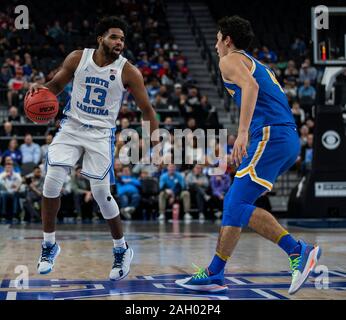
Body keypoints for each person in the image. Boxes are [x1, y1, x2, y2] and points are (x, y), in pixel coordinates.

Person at [176, 16, 321, 295]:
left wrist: (242, 133)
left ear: (227, 40)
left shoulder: (230, 60)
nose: (216, 44)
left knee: (235, 202)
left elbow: (251, 88)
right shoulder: (256, 63)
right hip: (284, 138)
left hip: (271, 135)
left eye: (218, 38)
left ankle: (298, 251)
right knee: (235, 203)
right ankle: (215, 272)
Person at [28, 16, 159, 280]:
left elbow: (147, 109)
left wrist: (151, 138)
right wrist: (40, 89)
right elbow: (55, 86)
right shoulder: (78, 58)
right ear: (100, 38)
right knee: (51, 183)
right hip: (71, 127)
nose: (119, 42)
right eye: (114, 37)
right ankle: (49, 245)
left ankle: (122, 249)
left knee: (100, 194)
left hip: (101, 135)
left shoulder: (128, 71)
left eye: (122, 38)